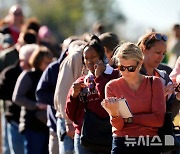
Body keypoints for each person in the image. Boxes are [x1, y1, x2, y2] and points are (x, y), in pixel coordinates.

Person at [101, 42, 165, 154]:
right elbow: (118, 126)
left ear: (140, 63)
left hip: (149, 142)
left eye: (131, 68)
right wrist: (115, 114)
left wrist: (129, 119)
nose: (125, 72)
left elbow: (158, 120)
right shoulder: (111, 86)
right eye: (121, 67)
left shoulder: (154, 83)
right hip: (122, 141)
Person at [65, 35, 120, 153]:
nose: (89, 61)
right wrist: (73, 96)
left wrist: (99, 77)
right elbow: (71, 115)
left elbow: (107, 100)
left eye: (93, 57)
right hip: (85, 137)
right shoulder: (80, 82)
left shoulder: (115, 76)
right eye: (86, 58)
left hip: (108, 135)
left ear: (102, 56)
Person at [137, 32, 180, 154]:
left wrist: (178, 97)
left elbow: (169, 115)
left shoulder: (163, 76)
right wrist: (159, 96)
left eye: (163, 54)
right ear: (144, 49)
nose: (161, 57)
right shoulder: (131, 74)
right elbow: (134, 109)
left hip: (160, 138)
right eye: (157, 52)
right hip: (137, 138)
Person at [12, 46, 53, 154]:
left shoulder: (50, 76)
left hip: (47, 124)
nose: (49, 65)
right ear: (38, 61)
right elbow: (17, 97)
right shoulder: (28, 75)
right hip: (32, 125)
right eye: (45, 62)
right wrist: (36, 105)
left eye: (50, 62)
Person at [54, 38, 86, 154]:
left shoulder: (75, 58)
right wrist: (68, 122)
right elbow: (63, 92)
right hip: (69, 119)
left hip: (79, 119)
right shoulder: (73, 58)